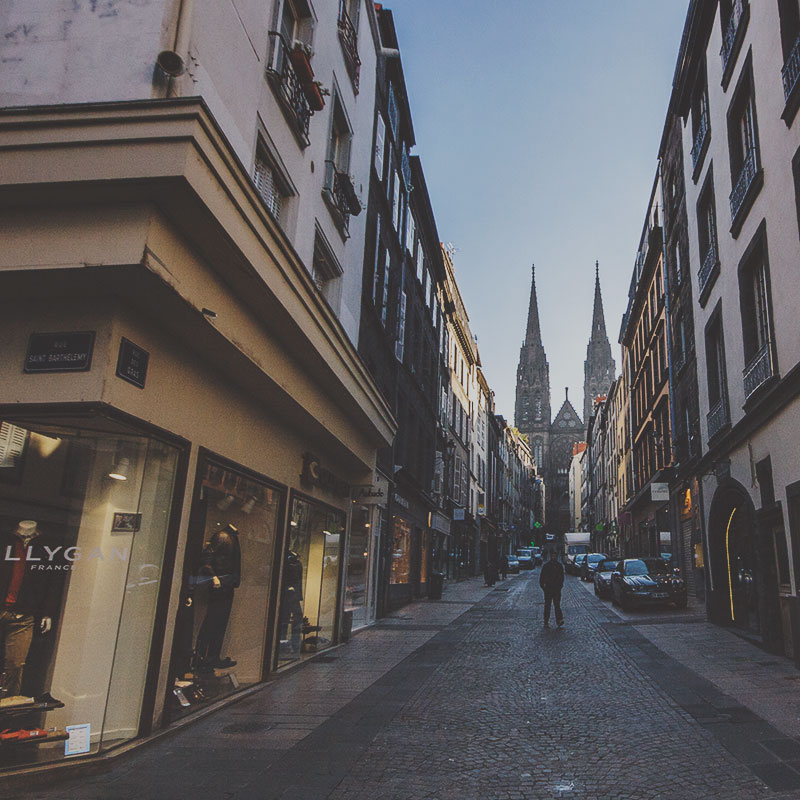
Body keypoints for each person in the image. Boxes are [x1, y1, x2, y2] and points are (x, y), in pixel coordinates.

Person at [539, 549, 564, 628]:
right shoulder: (546, 566)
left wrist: (560, 585)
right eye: (553, 556)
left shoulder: (559, 566)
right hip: (549, 589)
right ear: (551, 556)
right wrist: (544, 587)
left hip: (556, 589)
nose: (554, 557)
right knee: (548, 605)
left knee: (557, 605)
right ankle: (546, 621)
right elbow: (542, 577)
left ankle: (559, 620)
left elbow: (562, 577)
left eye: (555, 556)